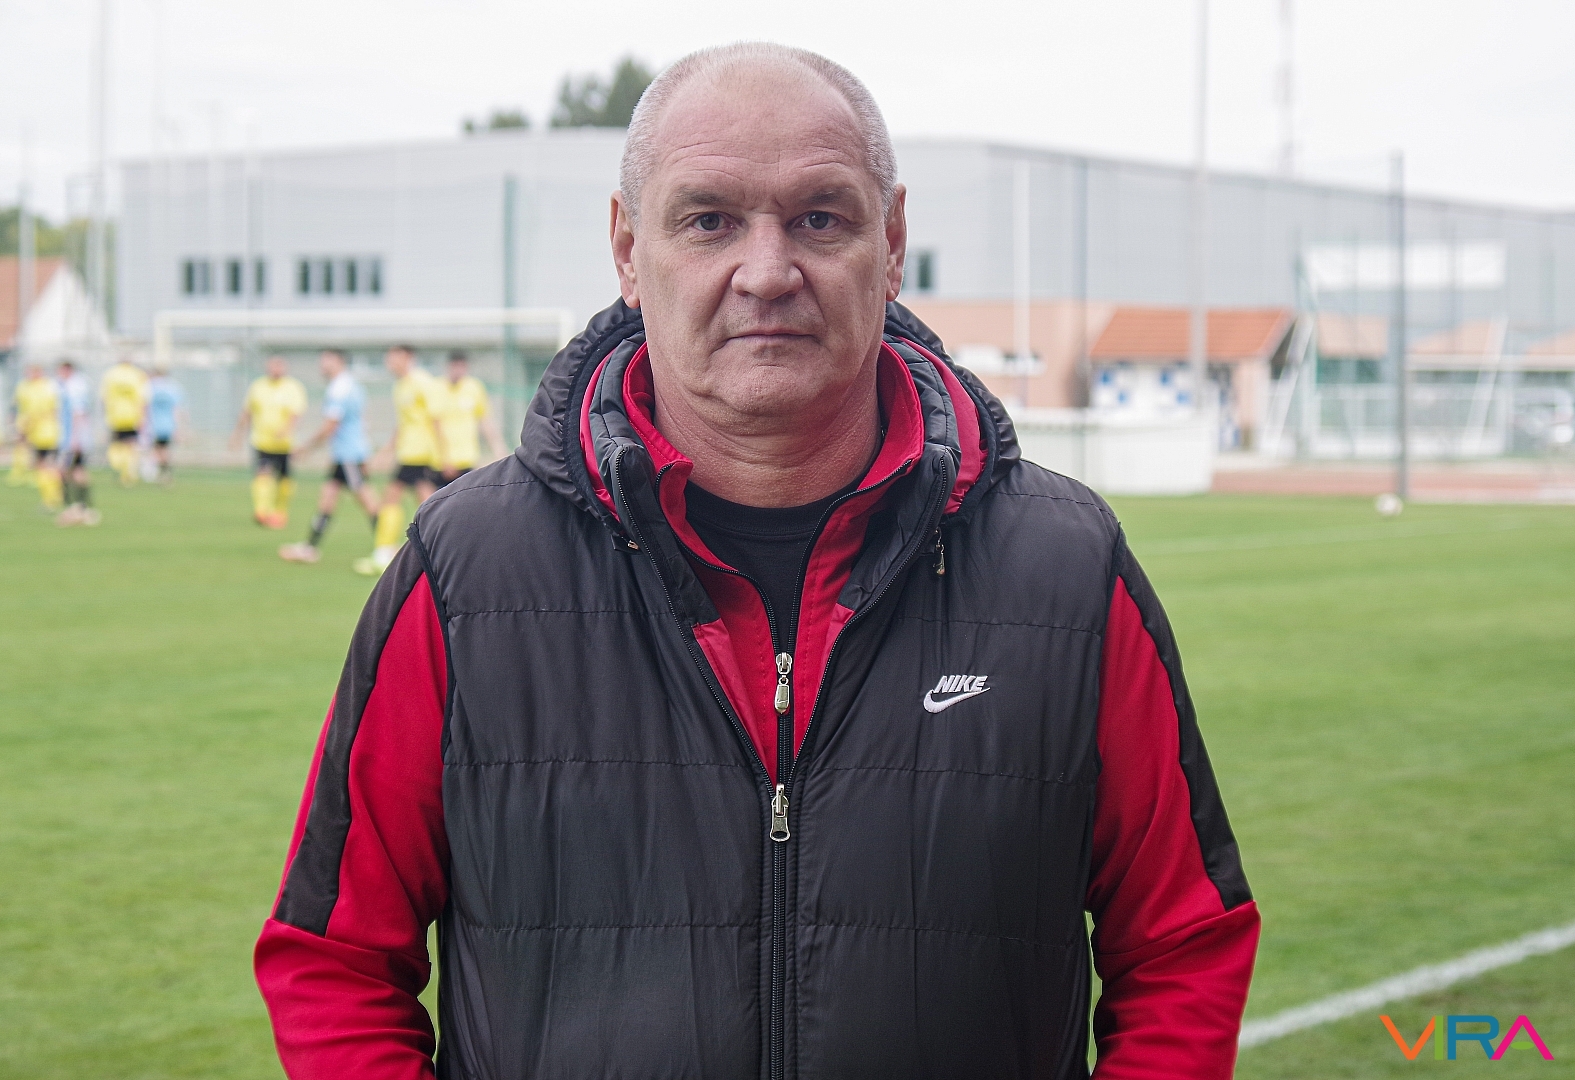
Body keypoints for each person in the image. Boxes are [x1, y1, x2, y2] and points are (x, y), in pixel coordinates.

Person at [255, 44, 1258, 1080]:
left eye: (819, 218)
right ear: (627, 249)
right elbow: (334, 959)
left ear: (892, 242)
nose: (767, 272)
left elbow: (1181, 946)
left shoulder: (1064, 567)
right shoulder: (468, 570)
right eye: (709, 220)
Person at [279, 349, 380, 564]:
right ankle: (310, 547)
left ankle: (387, 547)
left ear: (340, 362)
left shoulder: (339, 389)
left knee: (367, 500)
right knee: (327, 498)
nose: (323, 365)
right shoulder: (351, 385)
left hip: (349, 455)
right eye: (322, 361)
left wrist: (305, 448)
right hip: (346, 453)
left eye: (328, 361)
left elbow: (330, 426)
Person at [353, 344, 443, 575]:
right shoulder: (400, 386)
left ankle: (385, 552)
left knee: (397, 498)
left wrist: (442, 453)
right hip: (409, 452)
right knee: (426, 502)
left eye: (394, 358)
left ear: (408, 357)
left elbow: (436, 419)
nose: (390, 363)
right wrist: (385, 452)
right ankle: (436, 549)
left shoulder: (422, 382)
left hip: (421, 452)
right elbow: (403, 425)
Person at [231, 355, 308, 529]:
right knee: (262, 474)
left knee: (284, 479)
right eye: (273, 366)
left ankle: (280, 512)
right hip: (262, 441)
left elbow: (296, 414)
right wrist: (237, 435)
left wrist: (286, 430)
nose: (275, 370)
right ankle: (261, 511)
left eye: (279, 366)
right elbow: (247, 412)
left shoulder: (293, 387)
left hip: (285, 444)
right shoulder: (258, 386)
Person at [435, 350, 501, 484]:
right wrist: (445, 457)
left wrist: (498, 449)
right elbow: (434, 425)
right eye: (455, 367)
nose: (458, 371)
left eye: (462, 367)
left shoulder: (474, 387)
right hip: (441, 461)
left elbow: (485, 420)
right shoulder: (437, 388)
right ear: (448, 367)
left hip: (467, 458)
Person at [13, 363, 64, 512]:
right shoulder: (31, 387)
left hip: (45, 433)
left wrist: (25, 429)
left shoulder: (45, 388)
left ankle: (52, 498)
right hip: (41, 433)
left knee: (46, 465)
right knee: (44, 465)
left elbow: (38, 412)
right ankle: (52, 497)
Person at [55, 359, 98, 526]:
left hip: (73, 439)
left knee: (63, 472)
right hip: (78, 438)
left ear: (67, 370)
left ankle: (74, 508)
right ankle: (84, 508)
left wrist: (73, 439)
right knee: (78, 471)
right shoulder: (78, 384)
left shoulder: (74, 386)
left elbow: (78, 413)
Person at [100, 353, 150, 487]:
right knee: (131, 445)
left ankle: (120, 467)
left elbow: (104, 398)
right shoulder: (138, 374)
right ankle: (128, 473)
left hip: (115, 416)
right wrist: (143, 417)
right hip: (132, 416)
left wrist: (106, 414)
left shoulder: (111, 374)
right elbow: (143, 399)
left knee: (117, 444)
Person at [146, 365, 185, 483]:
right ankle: (164, 474)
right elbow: (177, 409)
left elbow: (144, 406)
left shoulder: (150, 386)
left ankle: (162, 474)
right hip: (168, 425)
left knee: (158, 450)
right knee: (163, 449)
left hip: (153, 425)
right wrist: (180, 428)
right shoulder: (173, 387)